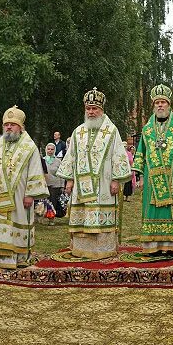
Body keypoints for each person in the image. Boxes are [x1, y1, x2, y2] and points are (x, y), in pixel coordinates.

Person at [56, 89, 132, 259]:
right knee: (82, 216)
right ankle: (81, 248)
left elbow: (118, 155)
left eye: (94, 109)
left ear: (101, 110)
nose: (91, 112)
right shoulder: (78, 132)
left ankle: (102, 249)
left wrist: (116, 180)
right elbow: (71, 157)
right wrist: (69, 180)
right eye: (88, 109)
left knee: (100, 216)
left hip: (103, 185)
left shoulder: (111, 131)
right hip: (81, 186)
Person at [0, 106, 48, 268]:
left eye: (12, 124)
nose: (8, 127)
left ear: (21, 127)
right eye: (6, 124)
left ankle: (18, 258)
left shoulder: (29, 147)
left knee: (17, 222)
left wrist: (30, 194)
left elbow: (35, 170)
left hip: (20, 195)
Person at [132, 84, 173, 255]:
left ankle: (171, 245)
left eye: (163, 102)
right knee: (151, 210)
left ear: (169, 105)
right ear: (154, 106)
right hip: (151, 177)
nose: (160, 105)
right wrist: (139, 176)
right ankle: (153, 246)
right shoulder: (147, 130)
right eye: (157, 102)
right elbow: (140, 153)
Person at [42, 143, 65, 217]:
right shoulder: (42, 160)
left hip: (56, 185)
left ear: (54, 150)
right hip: (45, 184)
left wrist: (62, 186)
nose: (50, 151)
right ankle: (44, 215)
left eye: (52, 149)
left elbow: (62, 174)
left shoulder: (58, 161)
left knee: (53, 202)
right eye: (48, 149)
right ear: (46, 150)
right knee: (45, 201)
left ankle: (52, 217)